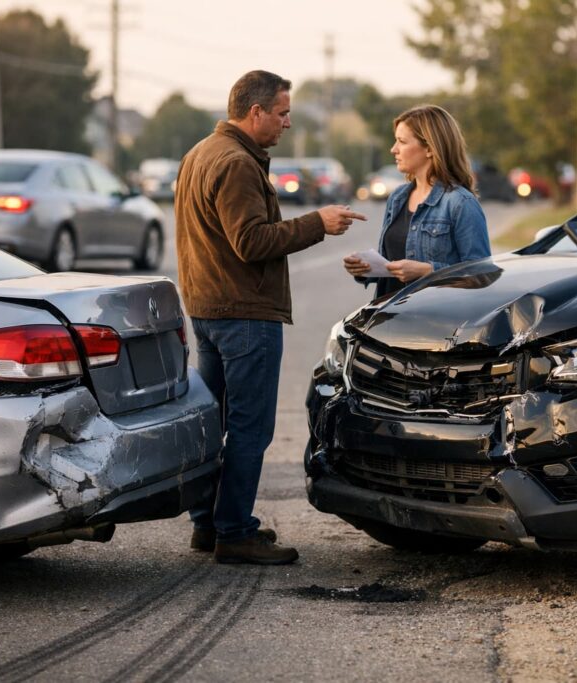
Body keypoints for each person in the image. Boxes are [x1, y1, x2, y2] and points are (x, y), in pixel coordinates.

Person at [175, 70, 366, 565]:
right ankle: (234, 532)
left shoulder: (201, 152)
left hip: (208, 309)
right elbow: (251, 242)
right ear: (254, 111)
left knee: (212, 421)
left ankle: (208, 524)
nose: (286, 122)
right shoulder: (236, 163)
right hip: (243, 313)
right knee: (250, 427)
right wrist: (316, 224)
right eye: (281, 113)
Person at [342, 105, 489, 297]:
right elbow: (392, 264)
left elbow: (483, 275)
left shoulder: (461, 203)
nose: (393, 149)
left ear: (429, 148)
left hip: (433, 322)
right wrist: (367, 269)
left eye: (401, 142)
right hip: (388, 319)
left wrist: (427, 271)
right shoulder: (397, 198)